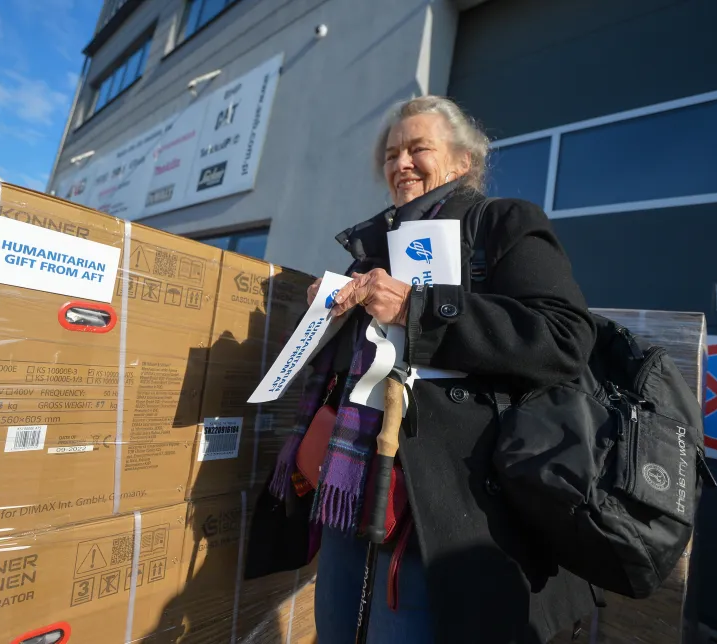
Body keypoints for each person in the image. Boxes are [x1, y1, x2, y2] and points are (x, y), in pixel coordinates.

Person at [245, 95, 597, 643]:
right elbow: (363, 365)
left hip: (443, 502)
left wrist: (418, 308)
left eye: (418, 148)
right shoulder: (370, 253)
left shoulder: (501, 223)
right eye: (391, 154)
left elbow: (563, 338)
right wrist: (332, 310)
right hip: (351, 484)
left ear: (462, 162)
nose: (400, 163)